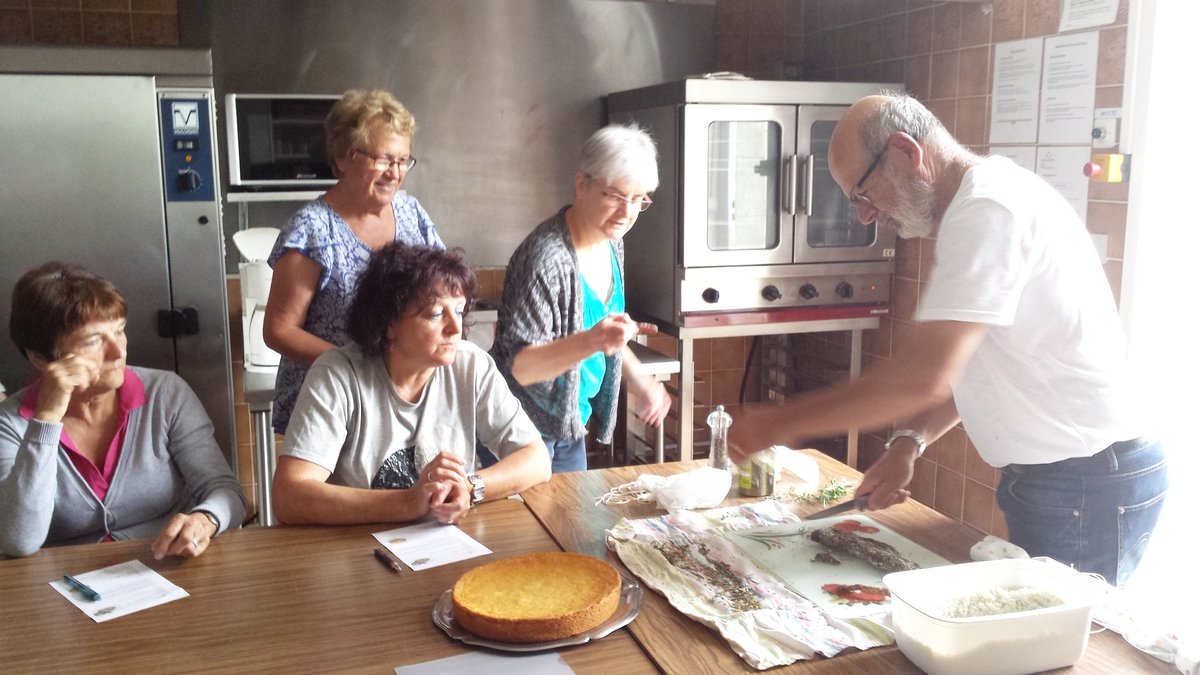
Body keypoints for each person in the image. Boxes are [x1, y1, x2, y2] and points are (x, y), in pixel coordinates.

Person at [728, 94, 1167, 587]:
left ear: (905, 151)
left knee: (1063, 632)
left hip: (1087, 479)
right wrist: (907, 445)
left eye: (862, 193)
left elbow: (924, 377)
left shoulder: (989, 209)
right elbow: (970, 364)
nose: (866, 216)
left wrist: (778, 423)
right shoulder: (982, 202)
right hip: (1070, 476)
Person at [271, 244, 551, 526]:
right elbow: (290, 497)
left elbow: (537, 459)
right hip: (359, 545)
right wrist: (406, 502)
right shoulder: (338, 375)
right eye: (436, 314)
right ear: (389, 322)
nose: (455, 328)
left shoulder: (471, 365)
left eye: (459, 311)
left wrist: (470, 487)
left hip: (445, 541)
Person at [0, 263, 246, 559]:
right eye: (93, 341)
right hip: (64, 579)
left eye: (119, 331)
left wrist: (206, 520)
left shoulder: (165, 393)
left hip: (163, 565)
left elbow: (226, 491)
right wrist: (46, 421)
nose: (119, 352)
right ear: (41, 357)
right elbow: (18, 541)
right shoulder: (10, 424)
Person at [490, 124, 672, 473]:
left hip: (569, 423)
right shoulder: (547, 259)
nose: (626, 212)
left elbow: (603, 331)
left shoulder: (612, 242)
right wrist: (593, 341)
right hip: (517, 429)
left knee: (576, 509)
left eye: (638, 199)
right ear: (581, 184)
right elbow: (523, 368)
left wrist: (641, 380)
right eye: (615, 196)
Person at [264, 88, 444, 435]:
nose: (394, 173)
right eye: (383, 159)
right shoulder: (312, 229)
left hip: (402, 403)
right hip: (332, 406)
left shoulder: (412, 212)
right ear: (344, 158)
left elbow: (444, 288)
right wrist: (359, 365)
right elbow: (279, 330)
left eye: (402, 160)